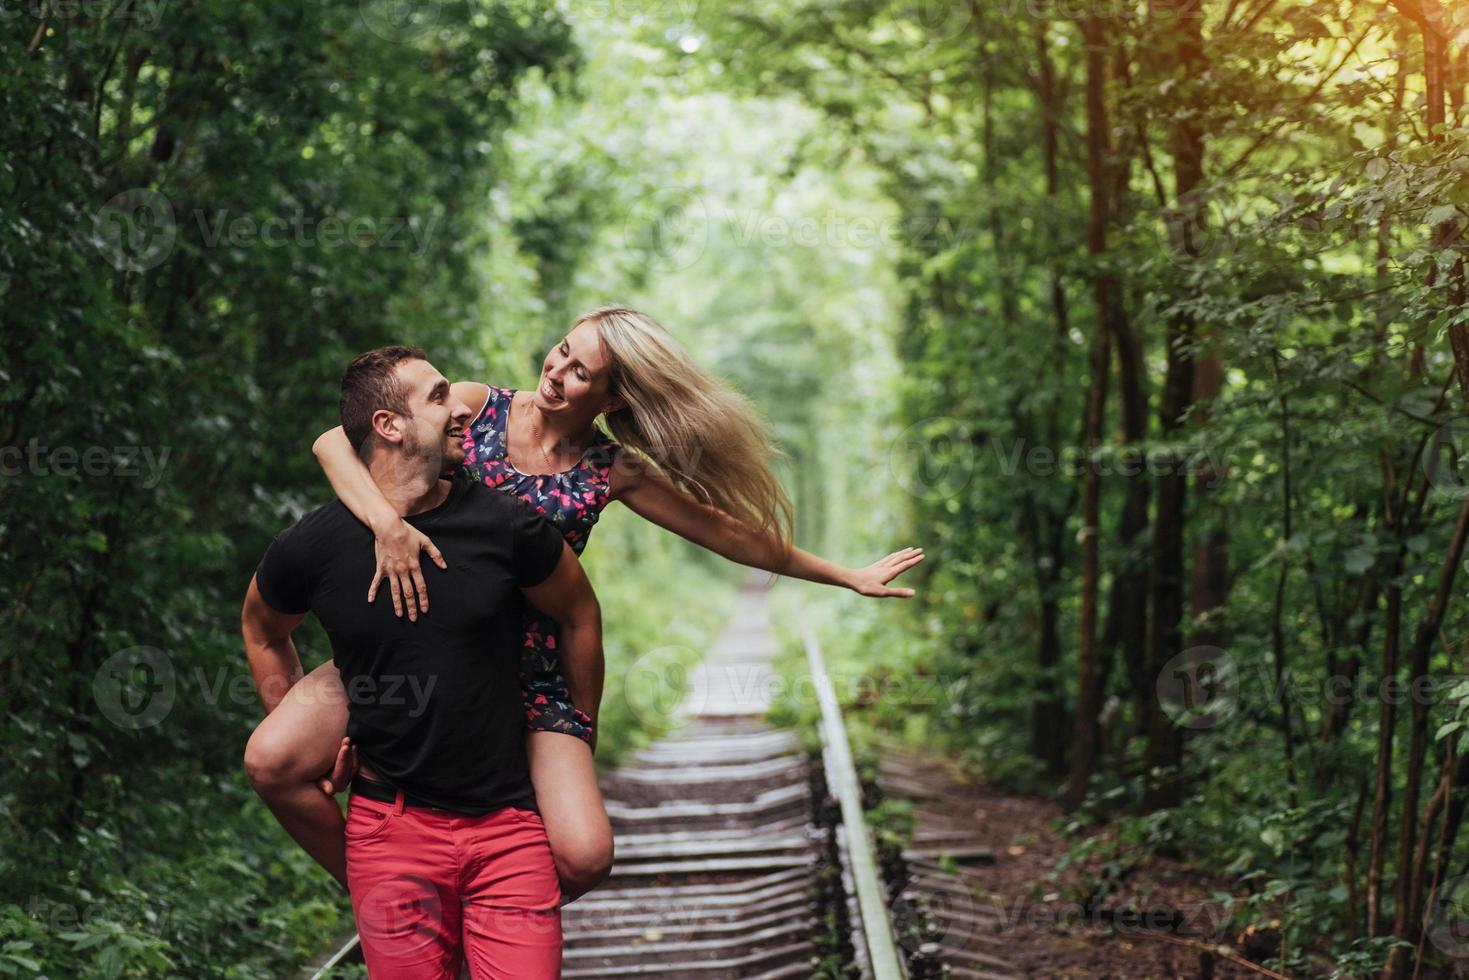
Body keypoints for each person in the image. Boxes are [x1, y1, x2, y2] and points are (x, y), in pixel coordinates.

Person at [246, 305, 926, 903]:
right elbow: (336, 441)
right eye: (562, 350)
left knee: (582, 856)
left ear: (610, 396)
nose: (556, 370)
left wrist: (842, 574)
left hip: (526, 665)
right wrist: (388, 526)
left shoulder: (611, 470)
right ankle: (383, 897)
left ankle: (485, 906)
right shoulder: (476, 408)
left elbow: (729, 534)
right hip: (412, 639)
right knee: (273, 762)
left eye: (580, 371)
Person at [242, 346, 601, 978]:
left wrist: (579, 724)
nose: (462, 405)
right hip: (390, 832)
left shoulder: (506, 525)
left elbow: (577, 611)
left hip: (507, 830)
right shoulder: (315, 545)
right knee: (267, 758)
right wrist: (320, 732)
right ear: (388, 426)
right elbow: (262, 629)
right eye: (438, 397)